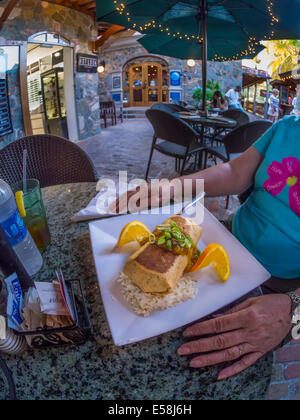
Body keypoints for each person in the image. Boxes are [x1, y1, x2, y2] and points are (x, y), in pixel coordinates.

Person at [113, 115, 300, 380]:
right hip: (228, 238)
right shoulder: (288, 126)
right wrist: (173, 187)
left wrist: (293, 309)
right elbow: (235, 173)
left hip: (282, 287)